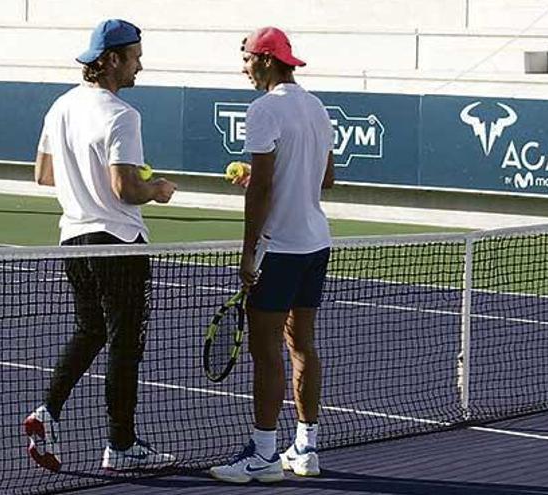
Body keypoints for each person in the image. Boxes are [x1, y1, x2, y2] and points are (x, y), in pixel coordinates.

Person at [22, 19, 178, 473]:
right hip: (119, 243)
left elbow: (44, 175)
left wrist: (98, 177)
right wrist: (157, 188)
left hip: (75, 239)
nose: (140, 66)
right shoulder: (123, 115)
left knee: (91, 330)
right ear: (111, 61)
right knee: (124, 345)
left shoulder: (61, 107)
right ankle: (121, 445)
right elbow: (125, 188)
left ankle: (46, 412)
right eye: (134, 57)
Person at [209, 26, 335, 484]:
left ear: (265, 60)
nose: (243, 68)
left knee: (266, 353)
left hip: (278, 249)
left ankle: (263, 454)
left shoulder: (264, 109)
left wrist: (248, 253)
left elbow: (261, 188)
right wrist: (271, 176)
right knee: (302, 345)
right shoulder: (317, 107)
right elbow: (327, 180)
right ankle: (306, 447)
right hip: (316, 244)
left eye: (245, 59)